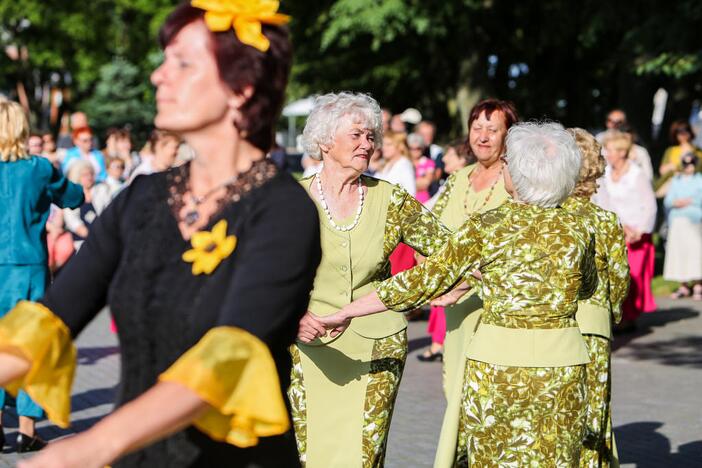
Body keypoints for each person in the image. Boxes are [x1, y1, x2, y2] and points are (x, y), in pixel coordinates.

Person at [0, 2, 321, 466]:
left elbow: (228, 356)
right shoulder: (143, 198)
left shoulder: (283, 210)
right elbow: (49, 319)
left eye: (183, 63)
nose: (158, 76)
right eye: (164, 60)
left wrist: (93, 445)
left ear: (242, 89)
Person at [317, 122, 597, 466]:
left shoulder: (488, 226)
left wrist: (348, 310)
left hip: (498, 362)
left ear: (523, 172)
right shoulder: (581, 229)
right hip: (563, 362)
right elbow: (587, 286)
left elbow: (421, 281)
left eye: (507, 163)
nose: (503, 168)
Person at [290, 92, 449, 467]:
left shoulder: (391, 199)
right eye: (357, 135)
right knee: (308, 456)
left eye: (371, 136)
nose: (368, 144)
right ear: (326, 141)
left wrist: (405, 293)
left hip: (378, 349)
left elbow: (451, 255)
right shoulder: (292, 200)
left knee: (362, 458)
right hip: (305, 348)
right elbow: (262, 275)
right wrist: (292, 317)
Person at [426, 98, 518, 466]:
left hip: (495, 310)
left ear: (507, 135)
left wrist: (468, 277)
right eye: (477, 127)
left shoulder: (515, 182)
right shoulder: (457, 179)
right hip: (457, 311)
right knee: (456, 391)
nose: (482, 136)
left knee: (487, 396)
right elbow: (428, 231)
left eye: (492, 129)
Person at [0, 99, 84, 452]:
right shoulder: (38, 168)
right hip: (28, 268)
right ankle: (26, 429)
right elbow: (73, 198)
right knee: (30, 348)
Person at [563, 128, 630, 466]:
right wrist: (612, 312)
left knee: (559, 417)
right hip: (594, 326)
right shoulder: (606, 221)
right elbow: (619, 280)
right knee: (592, 418)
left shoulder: (550, 218)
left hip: (553, 326)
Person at [594, 130, 657, 332]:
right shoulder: (605, 175)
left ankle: (628, 317)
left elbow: (649, 205)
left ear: (621, 152)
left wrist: (640, 229)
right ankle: (619, 316)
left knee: (633, 277)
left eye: (610, 150)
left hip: (637, 234)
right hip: (618, 231)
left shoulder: (636, 174)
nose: (607, 154)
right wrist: (618, 225)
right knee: (616, 275)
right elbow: (606, 202)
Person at [663, 153, 702, 299]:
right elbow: (668, 200)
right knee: (679, 253)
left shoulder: (699, 180)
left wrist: (687, 201)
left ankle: (698, 284)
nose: (688, 166)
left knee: (695, 252)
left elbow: (699, 199)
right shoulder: (676, 180)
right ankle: (683, 285)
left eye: (691, 163)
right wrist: (678, 202)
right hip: (677, 221)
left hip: (695, 221)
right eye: (685, 163)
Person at [64, 160, 112, 249]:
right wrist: (90, 236)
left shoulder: (102, 189)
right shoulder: (71, 194)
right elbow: (72, 221)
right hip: (81, 241)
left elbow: (109, 212)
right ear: (77, 177)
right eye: (85, 175)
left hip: (103, 235)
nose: (89, 177)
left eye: (91, 174)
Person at [407, 132, 435, 203]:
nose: (415, 151)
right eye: (411, 148)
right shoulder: (404, 162)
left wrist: (406, 183)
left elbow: (426, 183)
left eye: (418, 148)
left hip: (423, 201)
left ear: (422, 148)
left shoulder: (429, 162)